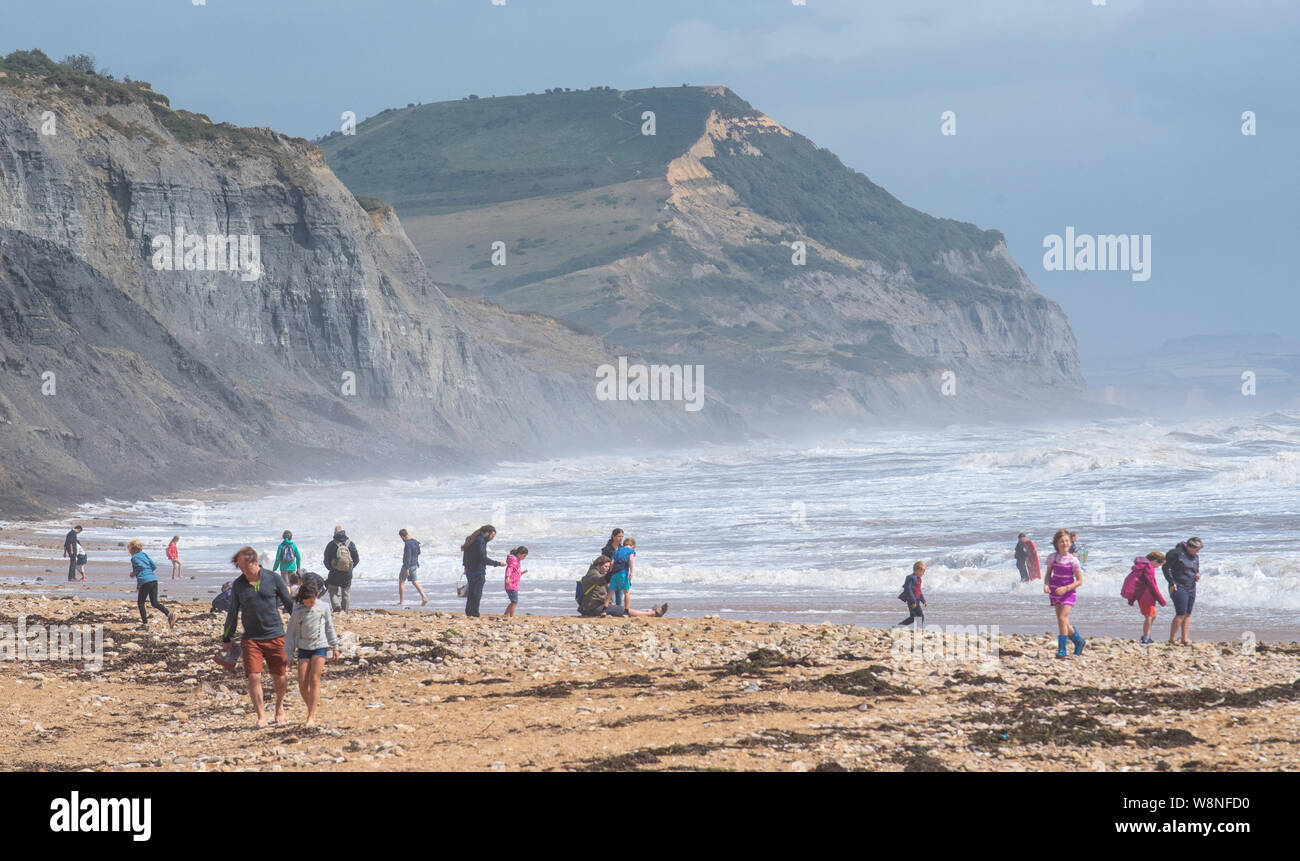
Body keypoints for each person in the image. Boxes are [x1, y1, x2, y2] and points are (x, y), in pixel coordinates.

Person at [221, 546, 294, 727]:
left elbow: (289, 605)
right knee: (254, 676)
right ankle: (261, 715)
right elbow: (232, 613)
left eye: (244, 567)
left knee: (280, 677)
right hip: (252, 638)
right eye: (239, 567)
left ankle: (279, 706)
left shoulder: (273, 578)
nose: (242, 571)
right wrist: (226, 637)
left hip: (276, 635)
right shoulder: (238, 584)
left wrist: (302, 627)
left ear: (254, 562)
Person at [284, 583, 339, 727]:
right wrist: (289, 654)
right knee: (302, 683)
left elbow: (329, 627)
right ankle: (312, 705)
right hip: (303, 648)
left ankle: (311, 716)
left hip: (320, 646)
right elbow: (290, 634)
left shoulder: (323, 607)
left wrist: (335, 645)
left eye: (312, 601)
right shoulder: (298, 610)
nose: (309, 604)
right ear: (301, 599)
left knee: (314, 679)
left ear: (316, 597)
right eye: (306, 602)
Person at [578, 556, 666, 618]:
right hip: (592, 608)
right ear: (598, 565)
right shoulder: (593, 574)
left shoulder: (598, 573)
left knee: (620, 609)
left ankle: (647, 612)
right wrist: (612, 573)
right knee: (622, 609)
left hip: (596, 606)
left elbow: (605, 591)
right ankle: (652, 614)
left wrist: (611, 601)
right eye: (605, 566)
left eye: (609, 567)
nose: (607, 569)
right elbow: (600, 581)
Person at [1043, 528, 1085, 658]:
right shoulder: (1052, 558)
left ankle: (1062, 649)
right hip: (1055, 591)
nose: (1065, 543)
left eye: (1067, 541)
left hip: (1068, 592)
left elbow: (1079, 581)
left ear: (1070, 543)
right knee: (1063, 621)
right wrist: (1046, 585)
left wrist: (1066, 588)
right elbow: (1048, 575)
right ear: (1056, 544)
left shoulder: (1074, 560)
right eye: (1062, 541)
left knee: (1062, 618)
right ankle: (1079, 641)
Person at [1163, 537, 1203, 645]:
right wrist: (1171, 582)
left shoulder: (1195, 557)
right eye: (1197, 549)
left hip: (1191, 586)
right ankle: (1172, 639)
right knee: (1181, 613)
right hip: (1178, 586)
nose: (1198, 552)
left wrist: (1197, 574)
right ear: (1190, 547)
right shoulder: (1175, 553)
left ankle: (1184, 638)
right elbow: (1166, 568)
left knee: (1188, 613)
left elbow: (1195, 569)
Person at [128, 539, 175, 631]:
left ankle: (145, 625)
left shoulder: (134, 558)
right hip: (153, 579)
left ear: (132, 549)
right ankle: (169, 614)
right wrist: (148, 573)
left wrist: (134, 573)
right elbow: (153, 566)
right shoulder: (144, 554)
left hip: (145, 581)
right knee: (154, 602)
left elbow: (140, 567)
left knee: (141, 602)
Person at [461, 524, 504, 618]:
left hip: (469, 570)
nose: (492, 538)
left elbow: (466, 555)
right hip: (478, 570)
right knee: (477, 593)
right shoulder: (480, 541)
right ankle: (474, 613)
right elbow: (482, 558)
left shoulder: (471, 539)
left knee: (472, 592)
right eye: (492, 536)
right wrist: (497, 563)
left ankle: (469, 612)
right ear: (487, 533)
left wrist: (465, 566)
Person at [1124, 552, 1167, 644]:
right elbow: (1152, 585)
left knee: (1152, 615)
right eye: (1159, 564)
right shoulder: (1149, 568)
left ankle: (1146, 635)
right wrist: (1161, 600)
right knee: (1149, 616)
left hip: (1143, 595)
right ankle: (1146, 638)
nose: (1158, 567)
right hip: (1146, 596)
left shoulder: (1142, 566)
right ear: (1155, 561)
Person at [323, 526, 360, 613]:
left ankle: (336, 607)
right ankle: (345, 611)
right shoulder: (350, 543)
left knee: (332, 590)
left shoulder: (331, 544)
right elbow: (356, 559)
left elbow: (326, 559)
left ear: (335, 533)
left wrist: (330, 568)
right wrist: (350, 568)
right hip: (347, 572)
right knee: (346, 592)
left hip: (334, 572)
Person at [398, 528, 428, 606]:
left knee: (401, 582)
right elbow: (418, 553)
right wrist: (416, 562)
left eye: (401, 538)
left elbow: (407, 556)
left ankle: (401, 602)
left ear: (402, 536)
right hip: (415, 564)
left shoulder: (407, 544)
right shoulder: (415, 542)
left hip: (407, 566)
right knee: (415, 582)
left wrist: (407, 568)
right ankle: (424, 597)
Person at [607, 537, 636, 612]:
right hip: (623, 573)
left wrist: (611, 573)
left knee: (610, 592)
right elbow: (631, 560)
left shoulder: (617, 550)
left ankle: (605, 609)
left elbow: (612, 563)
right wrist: (631, 572)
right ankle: (626, 611)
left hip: (614, 574)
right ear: (633, 545)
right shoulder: (631, 551)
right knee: (626, 592)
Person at [896, 560, 927, 626]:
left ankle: (899, 626)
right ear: (918, 570)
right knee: (920, 616)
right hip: (912, 600)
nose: (923, 573)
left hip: (917, 600)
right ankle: (918, 630)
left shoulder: (919, 579)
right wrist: (913, 601)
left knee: (914, 617)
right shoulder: (911, 578)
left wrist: (923, 601)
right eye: (923, 571)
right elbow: (908, 589)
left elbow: (919, 591)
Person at [503, 546, 528, 618]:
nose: (524, 558)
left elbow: (515, 572)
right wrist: (507, 577)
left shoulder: (516, 560)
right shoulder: (514, 561)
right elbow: (509, 569)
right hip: (511, 584)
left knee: (513, 601)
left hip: (513, 584)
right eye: (524, 556)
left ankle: (505, 614)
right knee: (514, 602)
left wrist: (521, 573)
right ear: (519, 554)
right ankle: (511, 616)